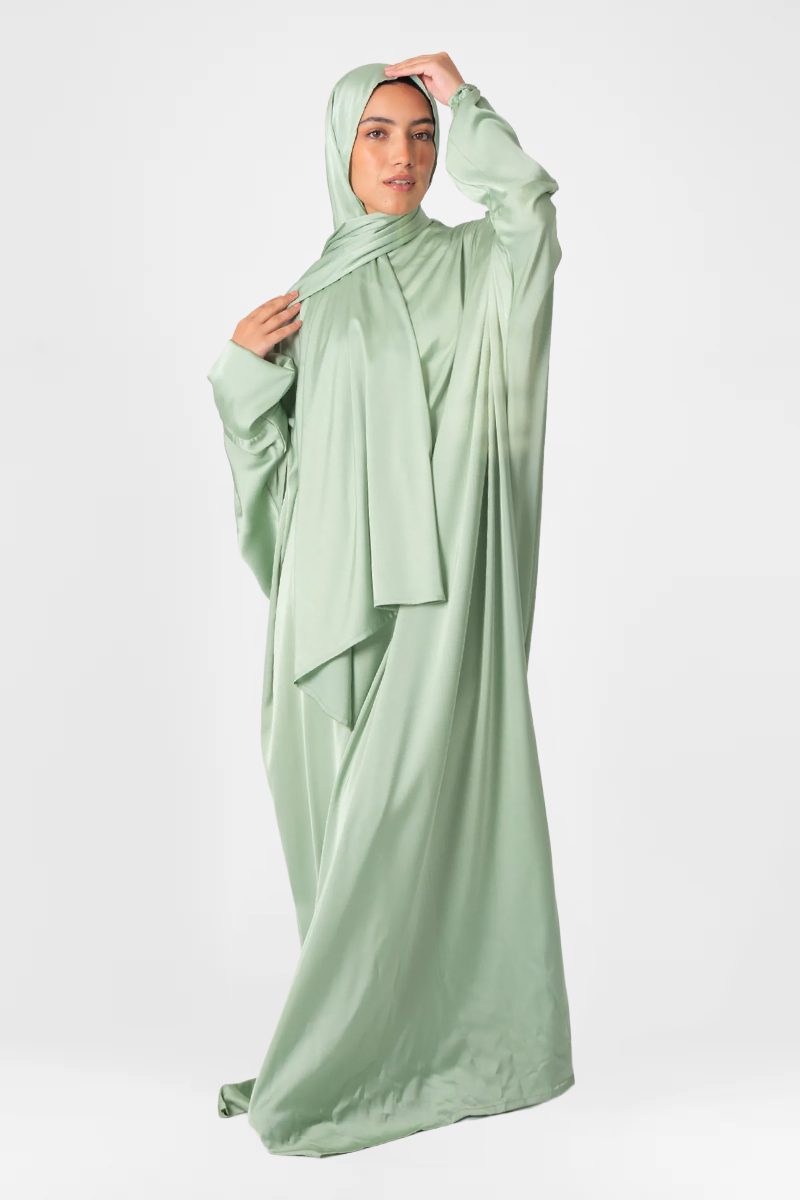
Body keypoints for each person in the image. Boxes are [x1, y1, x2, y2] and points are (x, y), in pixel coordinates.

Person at [207, 52, 575, 1158]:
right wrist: (239, 379)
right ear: (341, 147)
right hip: (324, 612)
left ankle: (415, 1051)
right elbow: (280, 480)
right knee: (329, 825)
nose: (403, 156)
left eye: (420, 135)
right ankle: (364, 1037)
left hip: (433, 605)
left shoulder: (473, 263)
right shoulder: (314, 291)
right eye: (377, 133)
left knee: (400, 817)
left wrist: (465, 98)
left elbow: (529, 209)